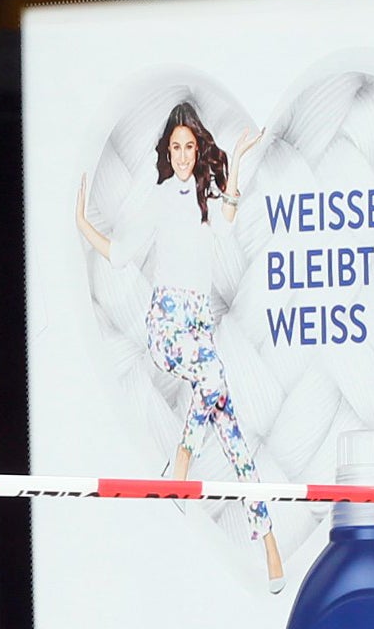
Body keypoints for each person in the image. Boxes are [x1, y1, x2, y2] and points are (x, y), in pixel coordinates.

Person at [75, 99, 281, 587]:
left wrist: (238, 159)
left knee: (232, 432)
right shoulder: (161, 196)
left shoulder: (206, 197)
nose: (184, 154)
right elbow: (122, 254)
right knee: (213, 379)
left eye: (190, 146)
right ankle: (182, 462)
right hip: (167, 327)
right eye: (176, 147)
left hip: (201, 329)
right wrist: (83, 224)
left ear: (198, 148)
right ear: (167, 152)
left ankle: (269, 545)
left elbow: (228, 230)